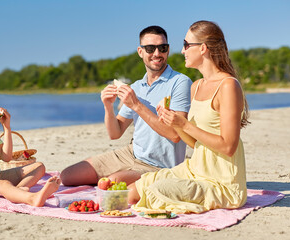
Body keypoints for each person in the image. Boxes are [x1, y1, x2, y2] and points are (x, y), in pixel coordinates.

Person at [128, 20, 250, 214]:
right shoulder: (196, 86)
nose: (182, 51)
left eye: (186, 45)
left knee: (153, 192)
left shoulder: (228, 86)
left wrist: (184, 124)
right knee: (133, 190)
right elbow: (195, 144)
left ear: (202, 48)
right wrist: (174, 123)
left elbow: (228, 146)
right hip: (194, 170)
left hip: (221, 183)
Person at [61, 26, 192, 186]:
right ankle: (124, 176)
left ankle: (124, 178)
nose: (157, 54)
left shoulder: (180, 83)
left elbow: (175, 135)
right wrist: (108, 107)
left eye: (162, 48)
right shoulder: (137, 87)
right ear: (140, 51)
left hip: (160, 166)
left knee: (110, 183)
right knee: (68, 176)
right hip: (131, 154)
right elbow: (115, 133)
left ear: (168, 50)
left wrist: (136, 105)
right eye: (150, 48)